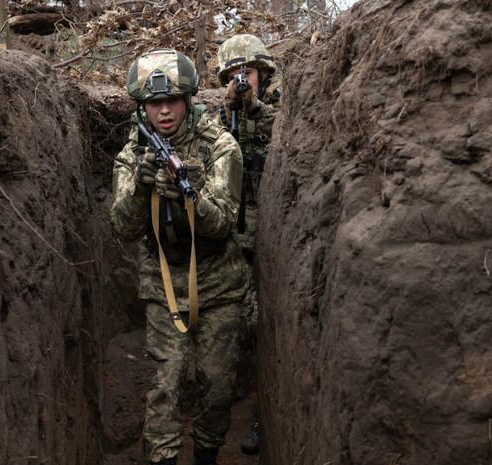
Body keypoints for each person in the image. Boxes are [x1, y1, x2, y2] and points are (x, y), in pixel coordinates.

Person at [110, 48, 249, 465]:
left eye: (172, 101)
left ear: (188, 100)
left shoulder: (221, 146)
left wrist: (189, 199)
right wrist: (140, 186)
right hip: (164, 279)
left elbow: (223, 221)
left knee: (217, 385)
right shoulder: (133, 155)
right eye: (154, 103)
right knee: (165, 384)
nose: (164, 111)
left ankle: (206, 454)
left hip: (218, 281)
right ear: (142, 107)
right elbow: (122, 227)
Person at [215, 33, 282, 456]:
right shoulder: (219, 114)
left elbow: (290, 132)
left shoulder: (278, 105)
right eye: (236, 74)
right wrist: (230, 109)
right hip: (229, 235)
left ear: (263, 73)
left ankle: (261, 413)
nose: (244, 80)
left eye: (250, 72)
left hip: (272, 233)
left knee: (264, 328)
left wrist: (256, 109)